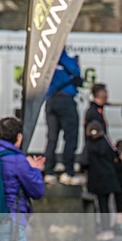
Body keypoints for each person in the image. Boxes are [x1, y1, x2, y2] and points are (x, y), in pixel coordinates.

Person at [43, 49, 82, 184]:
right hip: (66, 100)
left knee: (52, 138)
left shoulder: (47, 60)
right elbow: (78, 75)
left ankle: (49, 172)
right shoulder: (69, 59)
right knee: (70, 137)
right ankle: (68, 172)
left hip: (51, 100)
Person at [85, 120, 121, 241]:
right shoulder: (106, 142)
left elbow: (84, 161)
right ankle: (107, 229)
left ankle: (98, 227)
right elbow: (114, 155)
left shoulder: (89, 144)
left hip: (96, 179)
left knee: (98, 205)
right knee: (106, 205)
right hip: (109, 177)